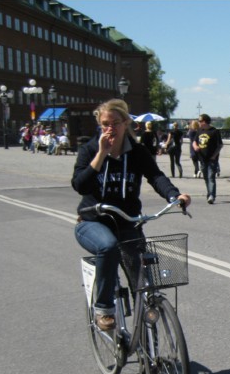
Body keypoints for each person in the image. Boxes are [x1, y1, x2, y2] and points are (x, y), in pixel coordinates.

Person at [72, 99, 191, 331]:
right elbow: (80, 186)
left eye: (115, 123)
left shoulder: (136, 152)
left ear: (126, 123)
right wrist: (101, 155)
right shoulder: (89, 149)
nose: (110, 129)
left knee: (144, 287)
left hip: (127, 222)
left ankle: (152, 353)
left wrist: (174, 196)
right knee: (108, 247)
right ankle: (104, 308)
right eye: (105, 124)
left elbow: (156, 176)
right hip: (92, 221)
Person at [192, 113, 222, 204]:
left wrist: (214, 156)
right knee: (206, 178)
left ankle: (212, 196)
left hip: (212, 159)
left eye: (200, 121)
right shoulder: (199, 131)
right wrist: (195, 146)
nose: (199, 123)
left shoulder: (215, 131)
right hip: (202, 159)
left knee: (211, 177)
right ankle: (209, 193)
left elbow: (220, 145)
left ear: (205, 121)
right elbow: (194, 141)